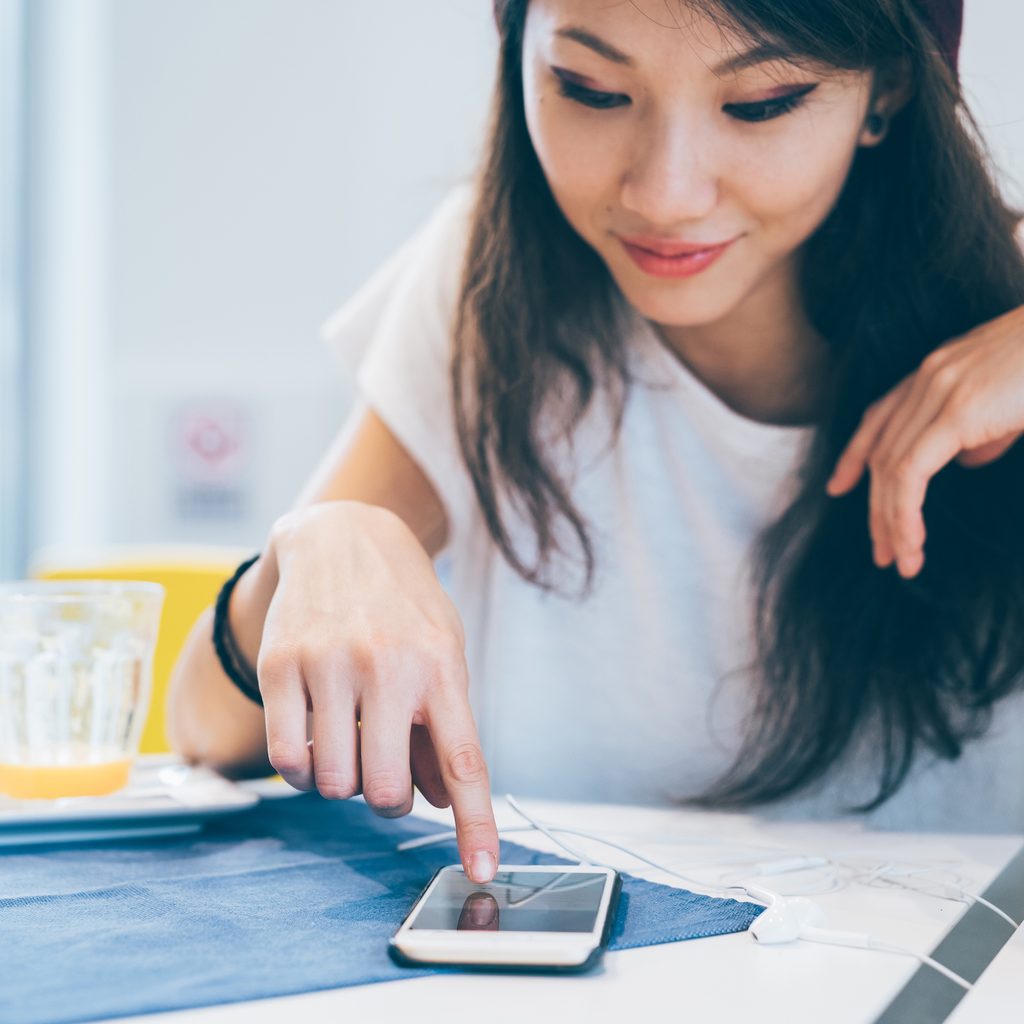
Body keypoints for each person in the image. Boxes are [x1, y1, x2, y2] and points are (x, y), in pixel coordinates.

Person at [167, 0, 1024, 886]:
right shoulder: (492, 288)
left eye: (761, 103)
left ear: (887, 88)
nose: (665, 193)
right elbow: (202, 732)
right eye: (592, 91)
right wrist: (306, 551)